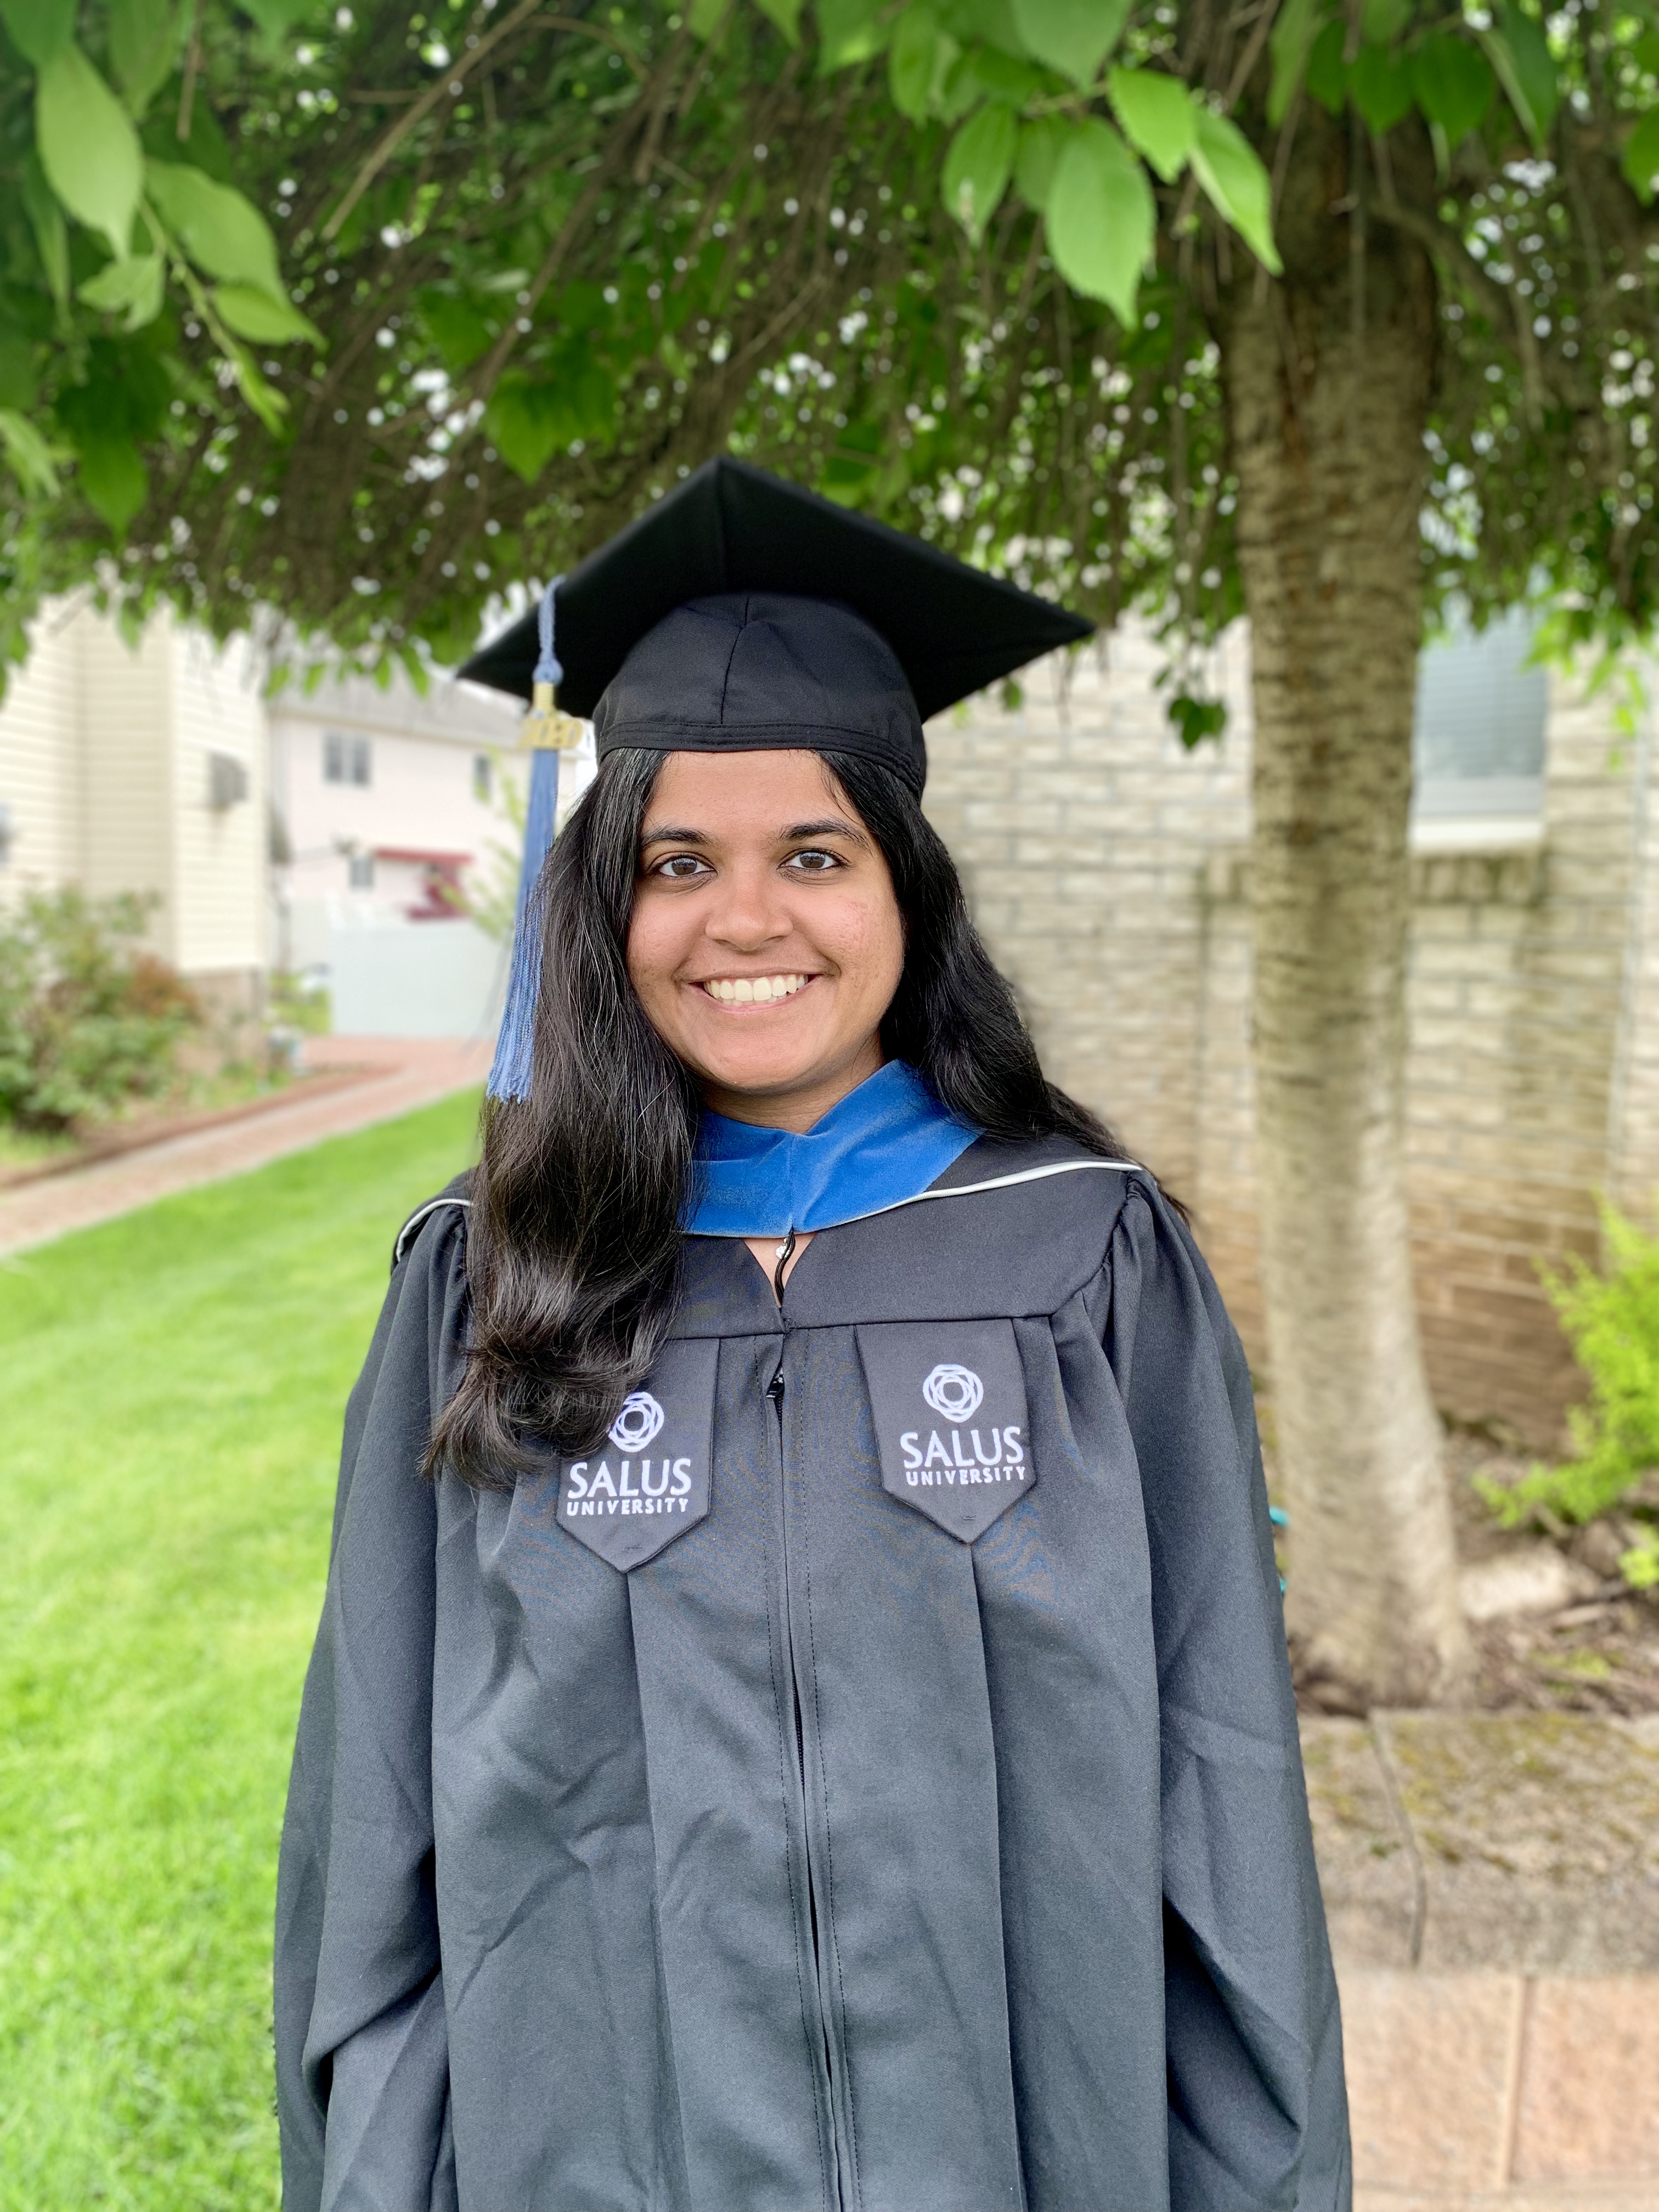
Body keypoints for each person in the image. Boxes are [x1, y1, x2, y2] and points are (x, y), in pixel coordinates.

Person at [274, 458, 1351, 2211]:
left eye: (815, 854)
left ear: (906, 888)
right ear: (602, 902)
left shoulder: (1085, 1263)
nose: (746, 919)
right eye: (679, 860)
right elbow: (374, 1818)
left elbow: (1219, 1779)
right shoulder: (483, 1287)